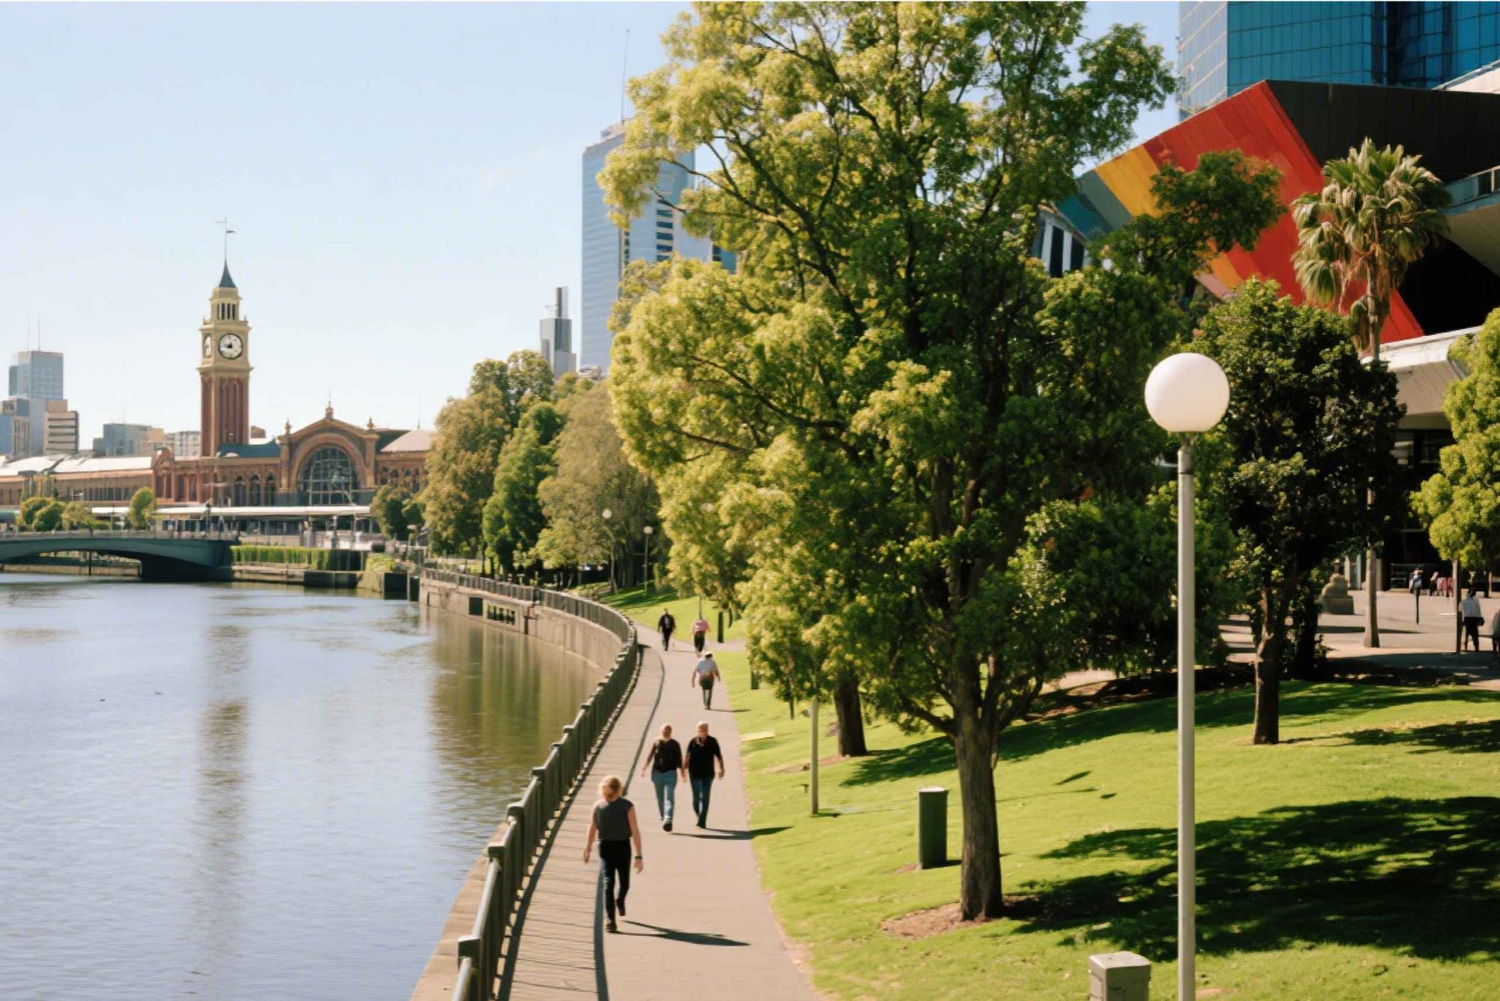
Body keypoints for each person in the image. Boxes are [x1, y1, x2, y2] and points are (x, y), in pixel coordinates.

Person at [582, 775, 643, 933]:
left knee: (624, 883)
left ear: (615, 790)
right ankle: (610, 919)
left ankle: (620, 899)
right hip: (605, 847)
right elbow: (593, 827)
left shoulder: (627, 806)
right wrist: (588, 847)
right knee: (608, 884)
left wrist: (638, 855)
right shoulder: (598, 806)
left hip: (623, 846)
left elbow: (635, 831)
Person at [639, 723, 684, 831]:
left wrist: (683, 773)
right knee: (660, 799)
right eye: (664, 730)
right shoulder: (656, 742)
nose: (666, 732)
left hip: (670, 774)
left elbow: (679, 759)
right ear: (661, 731)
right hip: (657, 774)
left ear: (671, 732)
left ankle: (668, 819)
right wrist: (644, 767)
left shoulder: (675, 744)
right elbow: (650, 756)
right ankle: (664, 817)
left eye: (668, 730)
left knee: (669, 798)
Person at [684, 721, 725, 829]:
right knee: (696, 800)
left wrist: (721, 769)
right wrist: (683, 769)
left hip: (708, 774)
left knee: (705, 797)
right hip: (694, 774)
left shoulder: (712, 741)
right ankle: (700, 816)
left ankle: (702, 821)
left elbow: (719, 756)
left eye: (703, 730)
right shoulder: (693, 742)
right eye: (699, 730)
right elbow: (687, 756)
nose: (701, 732)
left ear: (707, 731)